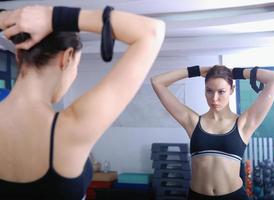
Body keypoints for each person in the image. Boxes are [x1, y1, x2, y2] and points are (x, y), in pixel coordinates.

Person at [0, 5, 165, 199]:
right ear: (68, 57)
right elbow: (152, 31)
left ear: (18, 56)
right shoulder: (72, 126)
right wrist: (53, 16)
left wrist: (5, 17)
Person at [151, 65, 274, 200]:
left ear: (232, 90)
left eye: (221, 91)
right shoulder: (193, 122)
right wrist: (196, 71)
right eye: (209, 90)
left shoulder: (243, 124)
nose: (214, 98)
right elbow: (157, 82)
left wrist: (237, 73)